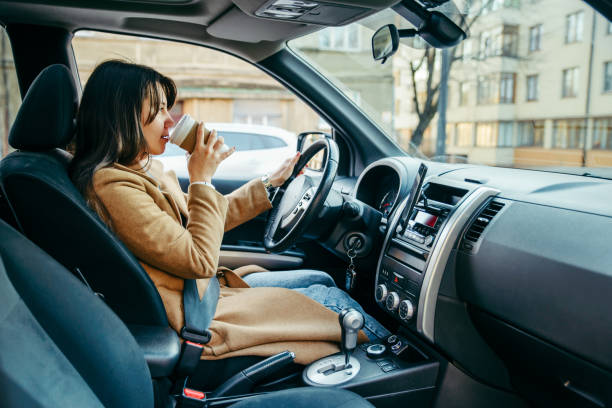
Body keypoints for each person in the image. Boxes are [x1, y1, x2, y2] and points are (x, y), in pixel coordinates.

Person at [69, 59, 389, 365]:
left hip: (204, 295)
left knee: (320, 279)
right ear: (122, 118)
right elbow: (198, 258)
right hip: (198, 316)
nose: (171, 120)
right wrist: (201, 178)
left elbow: (201, 223)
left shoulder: (140, 171)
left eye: (168, 107)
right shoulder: (112, 186)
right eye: (158, 111)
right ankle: (400, 367)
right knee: (336, 303)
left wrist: (268, 184)